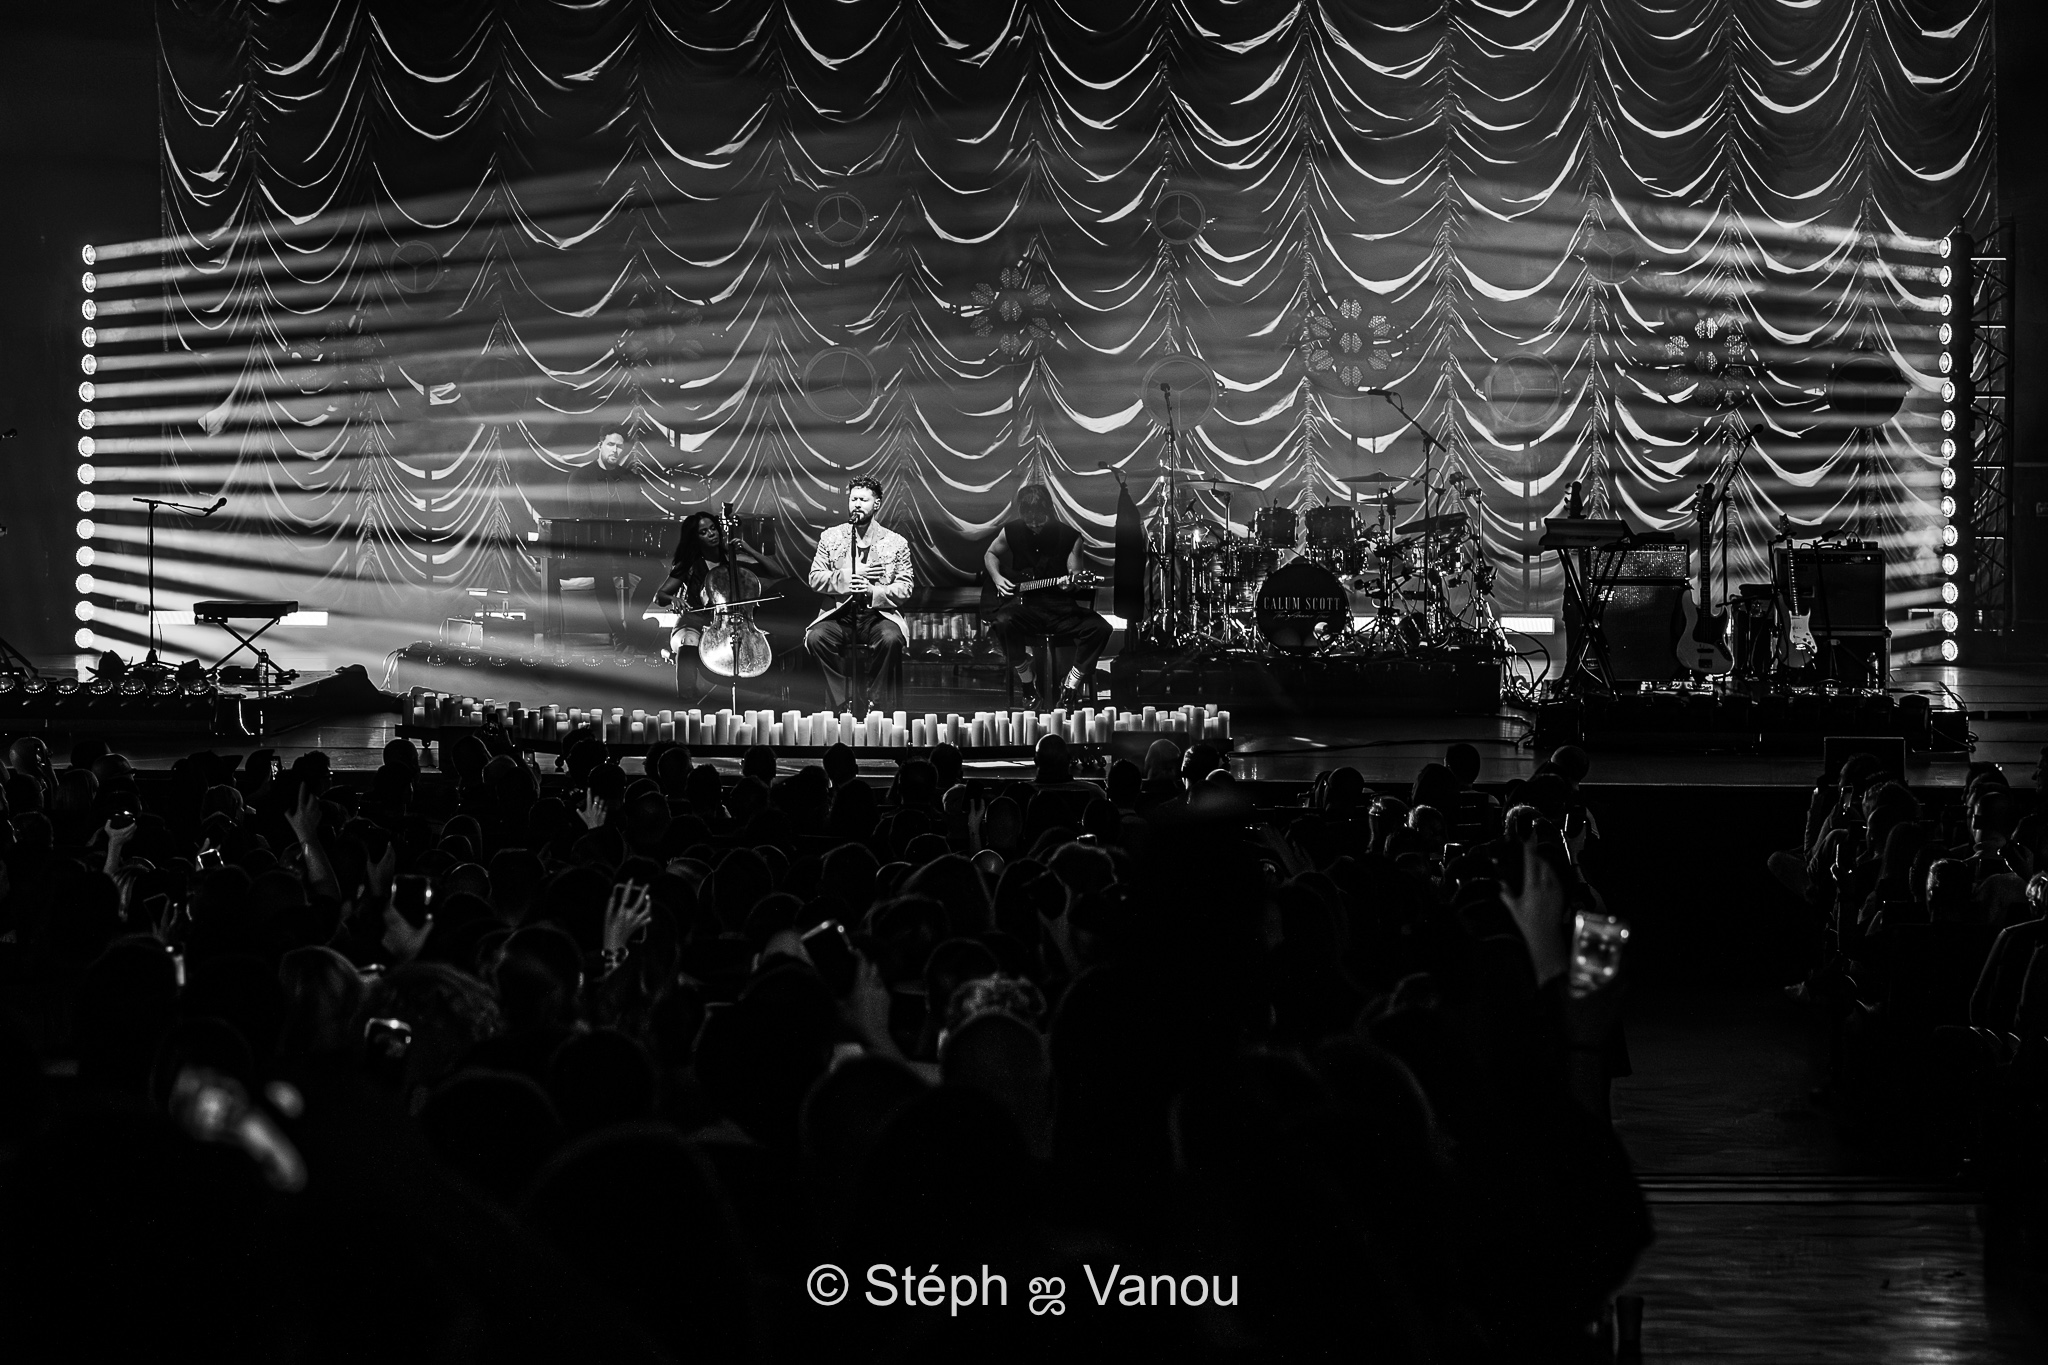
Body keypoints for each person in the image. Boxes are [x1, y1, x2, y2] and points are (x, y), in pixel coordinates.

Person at [982, 484, 1111, 707]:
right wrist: (997, 578)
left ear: (1049, 511)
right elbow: (990, 554)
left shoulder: (1069, 537)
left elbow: (1076, 576)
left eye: (1039, 518)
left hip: (1061, 609)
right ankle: (1027, 681)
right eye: (1028, 519)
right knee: (1002, 622)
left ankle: (1071, 684)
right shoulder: (1011, 530)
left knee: (1101, 628)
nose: (1033, 523)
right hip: (1026, 608)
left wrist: (1070, 585)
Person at [653, 511, 800, 700]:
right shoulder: (689, 564)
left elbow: (777, 573)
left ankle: (766, 700)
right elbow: (660, 597)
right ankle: (686, 700)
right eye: (703, 532)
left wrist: (749, 550)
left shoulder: (734, 559)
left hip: (733, 623)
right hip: (693, 622)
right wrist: (674, 599)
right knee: (689, 640)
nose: (711, 534)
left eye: (713, 528)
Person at [804, 476, 913, 715]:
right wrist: (850, 576)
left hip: (878, 615)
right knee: (816, 638)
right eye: (853, 499)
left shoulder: (896, 543)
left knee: (891, 639)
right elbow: (815, 578)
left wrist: (873, 591)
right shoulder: (831, 537)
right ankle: (844, 700)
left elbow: (905, 587)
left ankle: (875, 702)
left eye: (863, 500)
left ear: (877, 504)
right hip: (840, 613)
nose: (857, 504)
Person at [544, 430, 658, 654]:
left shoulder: (629, 478)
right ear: (600, 446)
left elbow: (638, 513)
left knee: (656, 571)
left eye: (619, 446)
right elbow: (580, 515)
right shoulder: (581, 477)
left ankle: (631, 625)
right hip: (589, 549)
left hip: (623, 549)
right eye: (610, 444)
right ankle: (620, 634)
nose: (615, 450)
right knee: (603, 568)